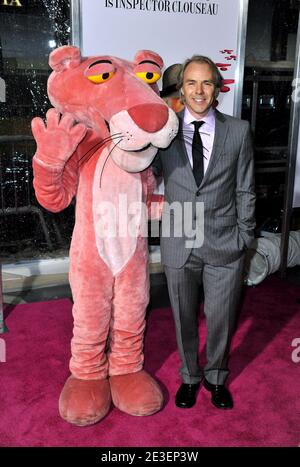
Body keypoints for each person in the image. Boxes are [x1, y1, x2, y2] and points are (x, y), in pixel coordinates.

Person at [152, 55, 256, 409]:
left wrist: (245, 236)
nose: (199, 90)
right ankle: (190, 376)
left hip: (225, 241)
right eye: (191, 83)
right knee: (182, 316)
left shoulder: (238, 130)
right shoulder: (164, 130)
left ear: (217, 90)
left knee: (221, 317)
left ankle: (215, 377)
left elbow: (245, 188)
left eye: (206, 83)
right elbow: (145, 172)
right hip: (179, 237)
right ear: (181, 90)